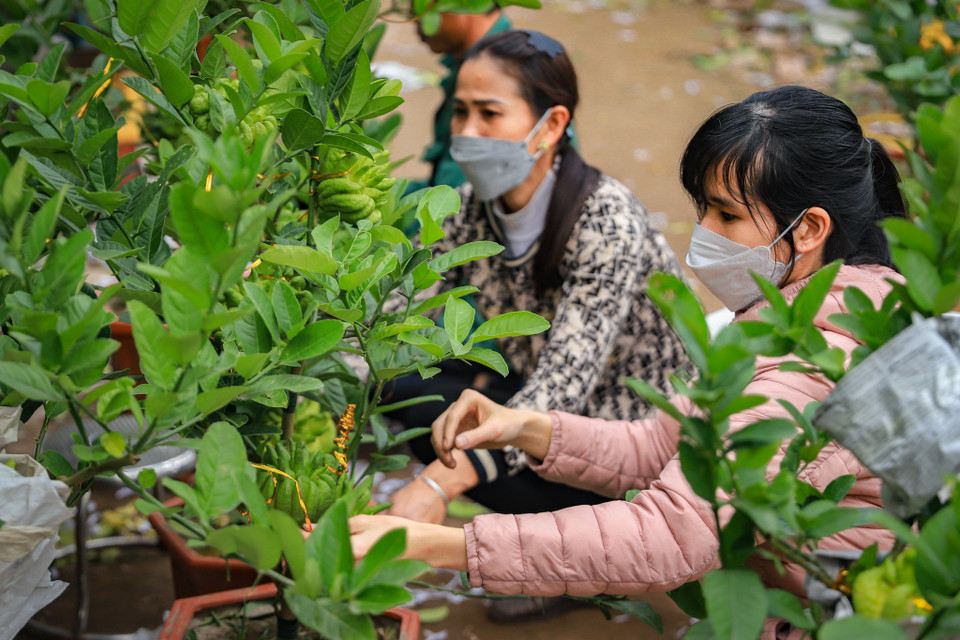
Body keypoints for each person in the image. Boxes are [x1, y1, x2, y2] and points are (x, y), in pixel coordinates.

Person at [349, 85, 908, 639]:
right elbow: (664, 446)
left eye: (726, 214)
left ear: (808, 229)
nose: (704, 234)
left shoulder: (814, 361)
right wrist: (527, 428)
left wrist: (441, 544)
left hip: (816, 618)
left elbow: (671, 535)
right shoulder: (785, 318)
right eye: (703, 210)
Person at [383, 28, 690, 547]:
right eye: (460, 113)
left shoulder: (606, 223)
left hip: (621, 446)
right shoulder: (468, 210)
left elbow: (557, 397)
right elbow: (394, 314)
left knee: (449, 442)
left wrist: (438, 482)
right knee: (412, 398)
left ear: (551, 126)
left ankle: (566, 567)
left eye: (490, 113)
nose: (468, 133)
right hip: (537, 395)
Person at [406, 4, 512, 191]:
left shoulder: (499, 72)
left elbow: (453, 199)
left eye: (422, 8)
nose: (414, 21)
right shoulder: (466, 64)